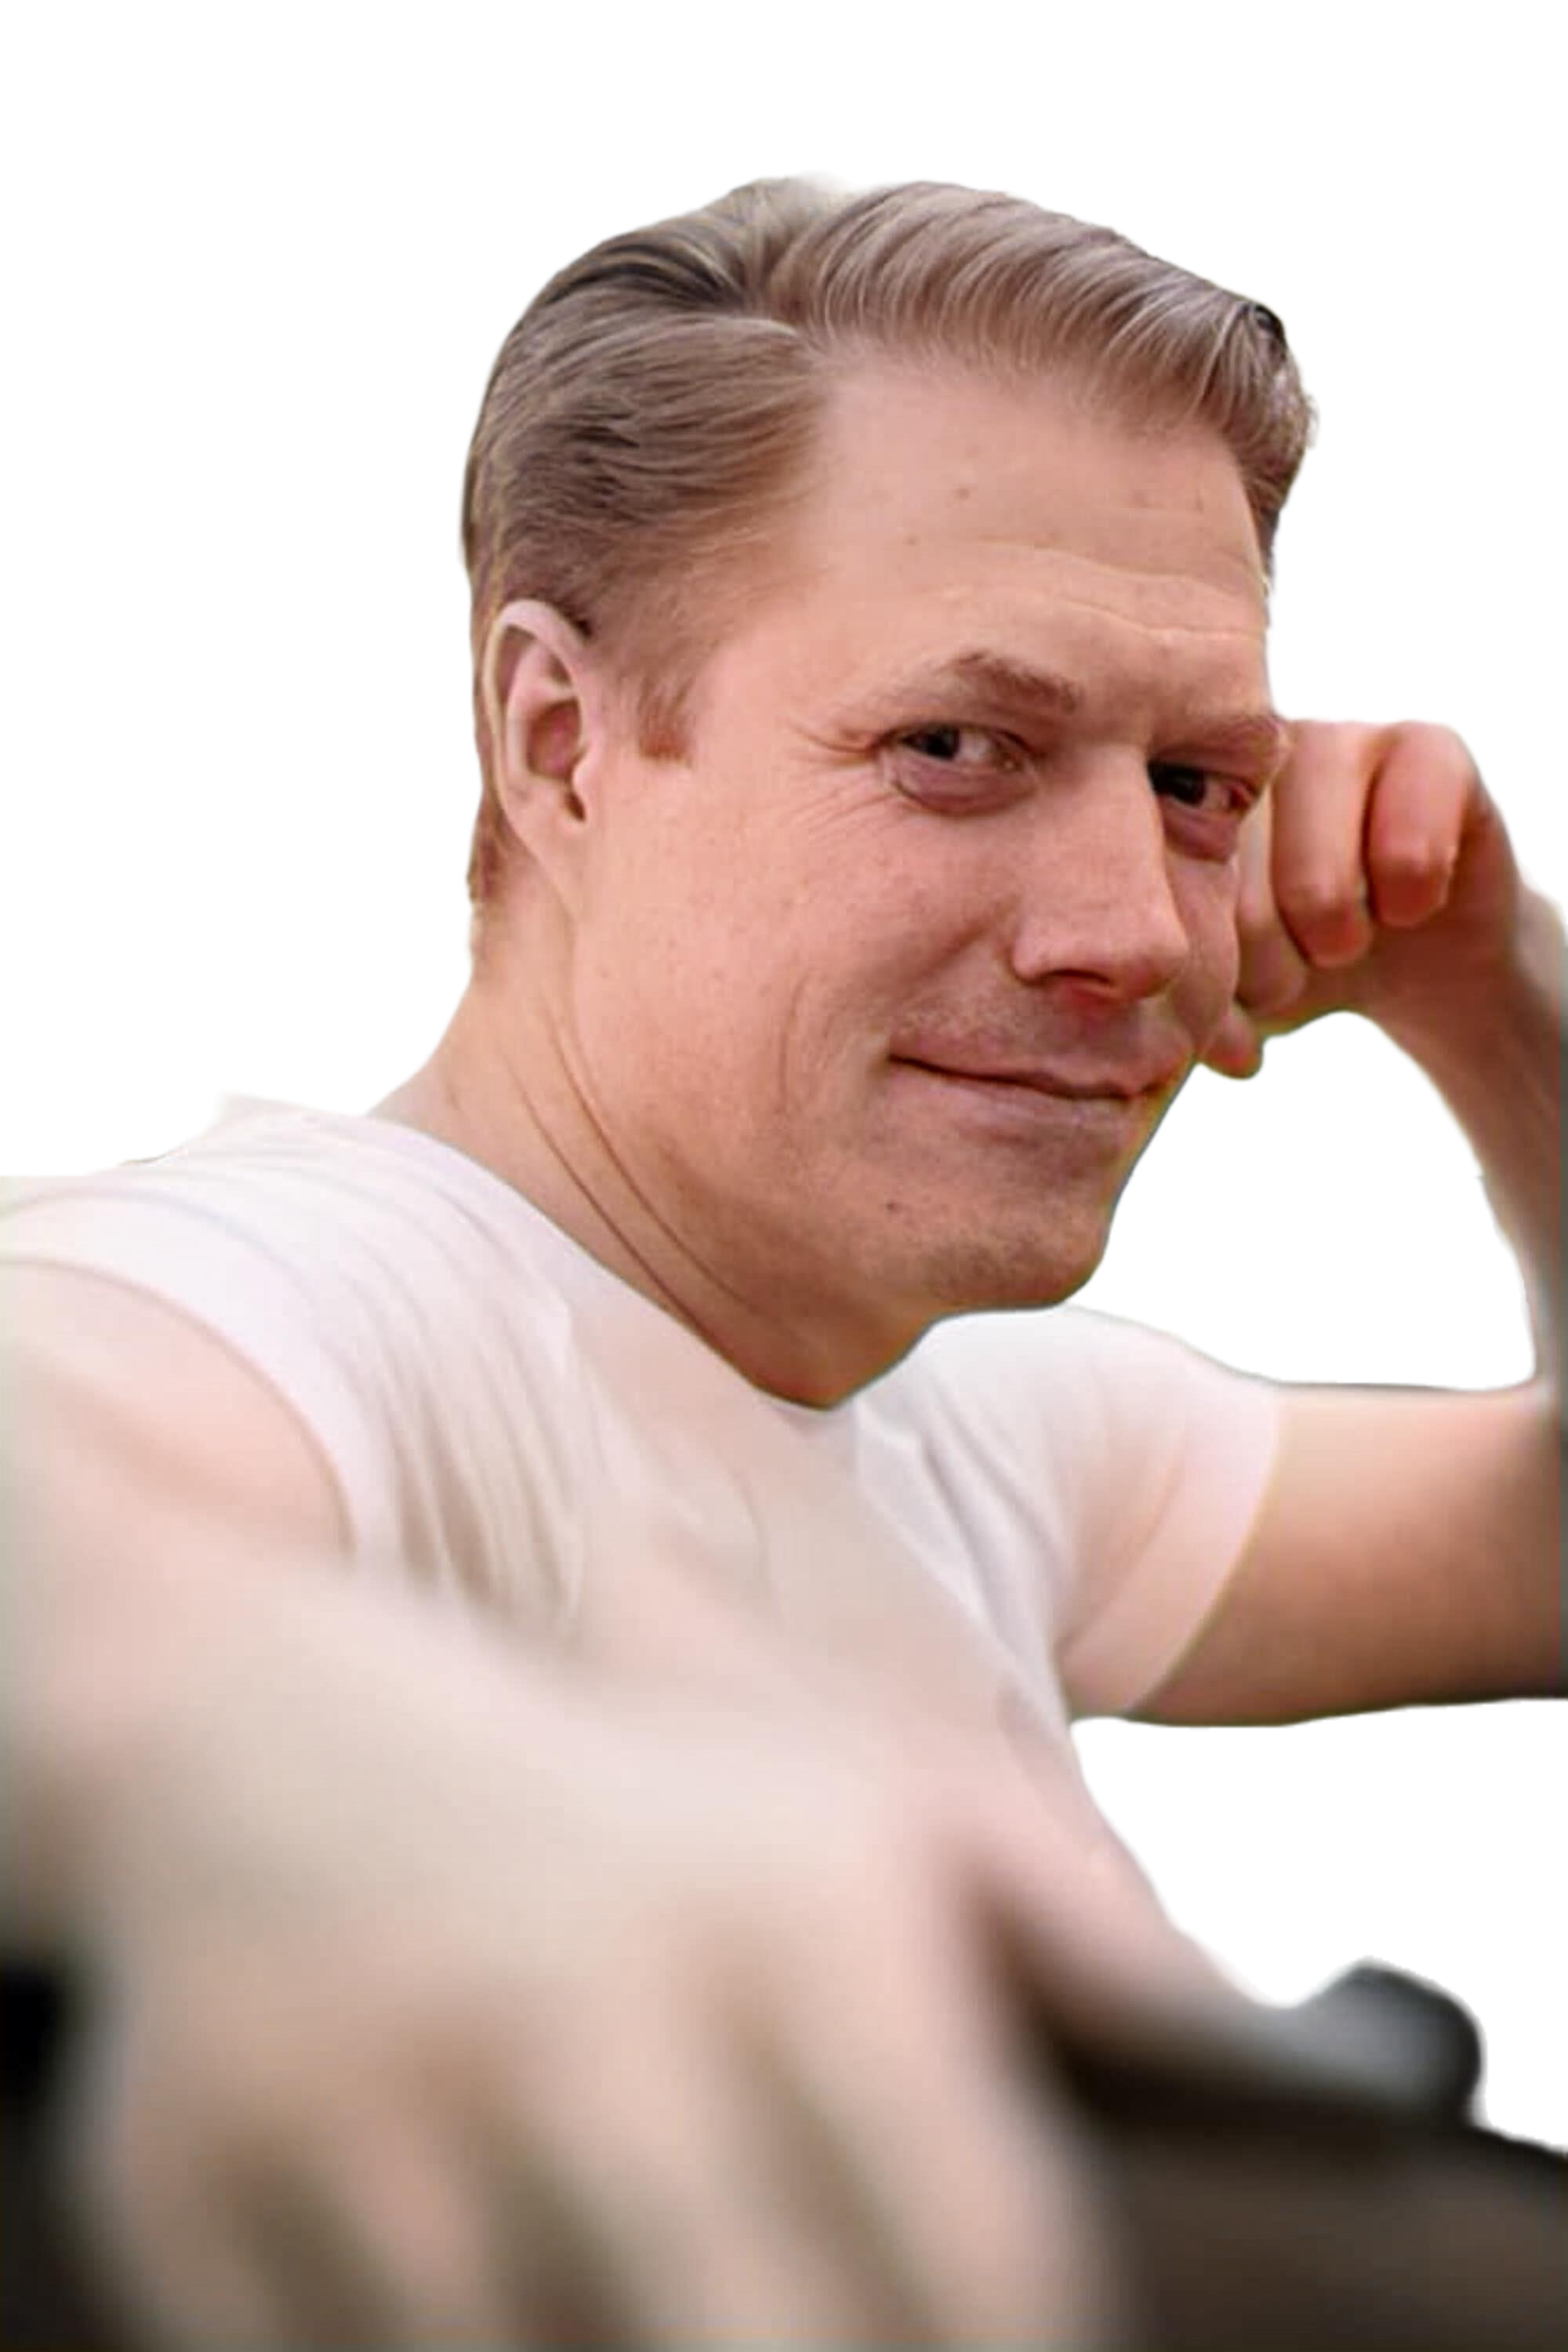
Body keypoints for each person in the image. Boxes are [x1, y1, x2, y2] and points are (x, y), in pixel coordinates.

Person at [4, 168, 1563, 2348]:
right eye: (956, 749)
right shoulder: (355, 1290)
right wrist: (271, 1760)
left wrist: (1505, 997)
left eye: (1199, 781)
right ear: (559, 742)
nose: (1133, 928)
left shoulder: (974, 1427)